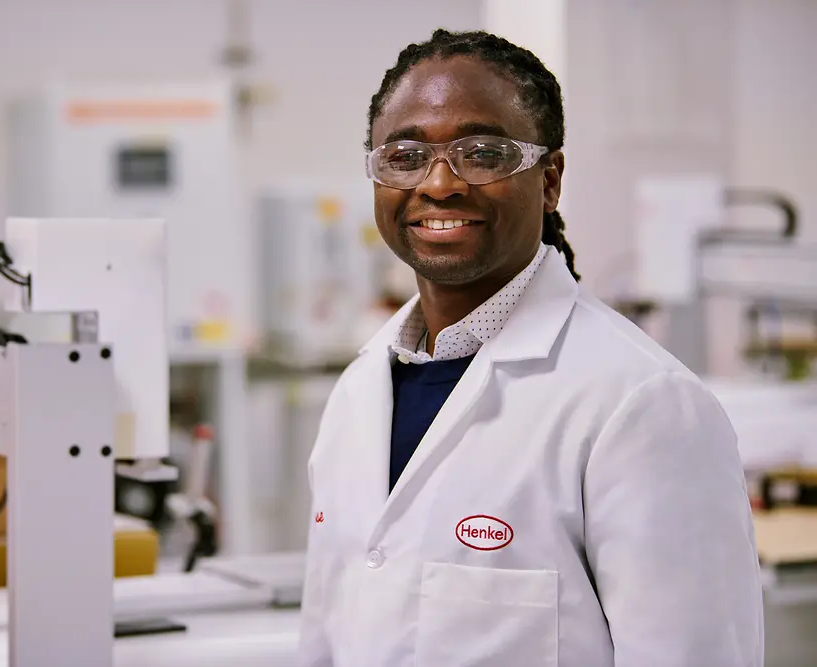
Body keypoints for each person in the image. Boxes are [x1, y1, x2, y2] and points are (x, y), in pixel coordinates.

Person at [298, 28, 763, 667]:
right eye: (404, 155)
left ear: (550, 180)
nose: (438, 184)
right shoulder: (359, 393)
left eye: (483, 153)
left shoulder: (643, 406)